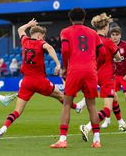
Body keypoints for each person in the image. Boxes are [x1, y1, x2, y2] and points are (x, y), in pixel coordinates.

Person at [0, 19, 67, 141]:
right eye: (42, 36)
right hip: (39, 80)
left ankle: (3, 128)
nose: (43, 39)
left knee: (17, 111)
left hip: (26, 82)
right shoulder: (40, 43)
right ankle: (77, 107)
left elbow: (20, 29)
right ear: (38, 35)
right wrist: (58, 64)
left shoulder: (25, 40)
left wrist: (29, 24)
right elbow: (50, 48)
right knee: (62, 96)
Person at [50, 8, 106, 149]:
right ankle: (97, 140)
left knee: (67, 104)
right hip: (90, 71)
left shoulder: (66, 31)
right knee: (92, 105)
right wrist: (94, 66)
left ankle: (63, 140)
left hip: (74, 70)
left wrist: (64, 67)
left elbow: (65, 50)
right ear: (84, 18)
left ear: (70, 19)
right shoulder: (93, 33)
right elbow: (103, 52)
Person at [80, 13, 125, 143]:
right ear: (105, 27)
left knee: (114, 98)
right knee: (107, 108)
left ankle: (121, 122)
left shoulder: (91, 40)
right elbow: (117, 57)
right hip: (107, 76)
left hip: (94, 74)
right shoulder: (108, 41)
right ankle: (87, 127)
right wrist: (117, 58)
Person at [101, 23, 126, 129]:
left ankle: (119, 122)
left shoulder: (125, 46)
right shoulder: (108, 44)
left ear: (120, 35)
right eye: (113, 35)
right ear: (110, 35)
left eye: (117, 34)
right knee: (110, 97)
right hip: (113, 76)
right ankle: (108, 120)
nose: (115, 37)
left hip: (124, 75)